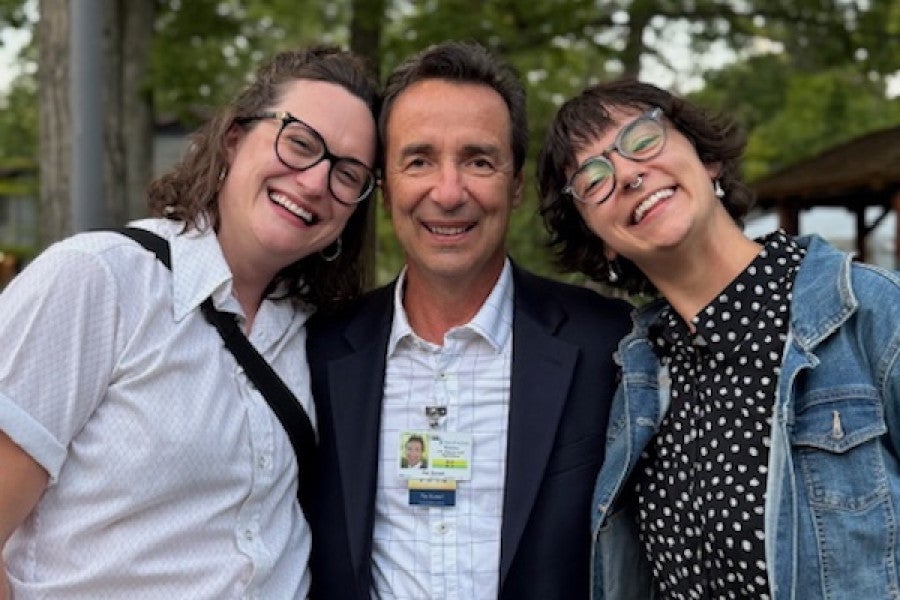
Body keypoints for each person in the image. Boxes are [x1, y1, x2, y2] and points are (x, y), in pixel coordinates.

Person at [0, 46, 380, 599]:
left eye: (348, 174)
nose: (316, 181)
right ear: (233, 139)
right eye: (299, 143)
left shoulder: (323, 338)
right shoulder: (99, 280)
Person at [536, 78, 900, 599]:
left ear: (707, 160)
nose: (628, 174)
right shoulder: (633, 376)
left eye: (642, 139)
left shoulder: (873, 314)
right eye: (593, 179)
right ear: (601, 239)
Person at [306, 40, 632, 600]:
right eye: (419, 160)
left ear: (516, 185)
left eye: (479, 161)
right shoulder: (317, 351)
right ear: (384, 191)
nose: (449, 192)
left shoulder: (612, 345)